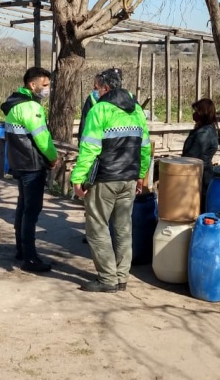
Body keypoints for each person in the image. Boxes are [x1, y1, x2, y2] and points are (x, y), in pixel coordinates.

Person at [72, 68, 151, 292]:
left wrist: (78, 179)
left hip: (105, 179)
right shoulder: (136, 111)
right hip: (129, 178)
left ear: (106, 88)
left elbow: (89, 148)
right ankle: (122, 277)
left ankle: (107, 279)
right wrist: (140, 175)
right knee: (123, 229)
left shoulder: (100, 111)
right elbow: (145, 149)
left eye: (96, 87)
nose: (94, 91)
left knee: (97, 228)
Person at [1, 67, 59, 272]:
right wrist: (53, 157)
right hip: (32, 164)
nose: (47, 89)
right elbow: (42, 139)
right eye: (44, 85)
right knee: (31, 212)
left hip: (19, 162)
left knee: (23, 207)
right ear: (32, 85)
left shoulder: (14, 103)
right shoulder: (30, 108)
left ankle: (21, 250)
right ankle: (30, 258)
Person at [182, 98, 220, 211]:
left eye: (197, 111)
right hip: (200, 174)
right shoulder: (206, 129)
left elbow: (191, 157)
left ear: (203, 113)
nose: (194, 114)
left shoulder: (204, 133)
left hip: (200, 177)